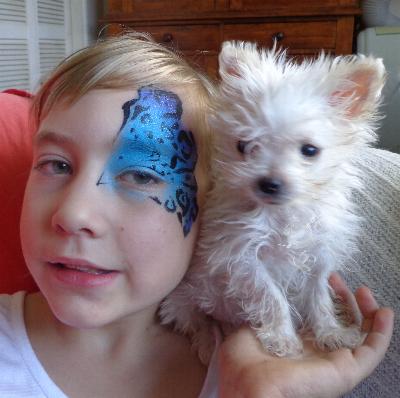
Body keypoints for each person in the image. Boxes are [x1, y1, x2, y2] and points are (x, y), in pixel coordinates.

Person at [0, 32, 393, 398]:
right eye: (56, 165)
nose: (74, 213)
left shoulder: (250, 372)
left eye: (142, 173)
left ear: (212, 195)